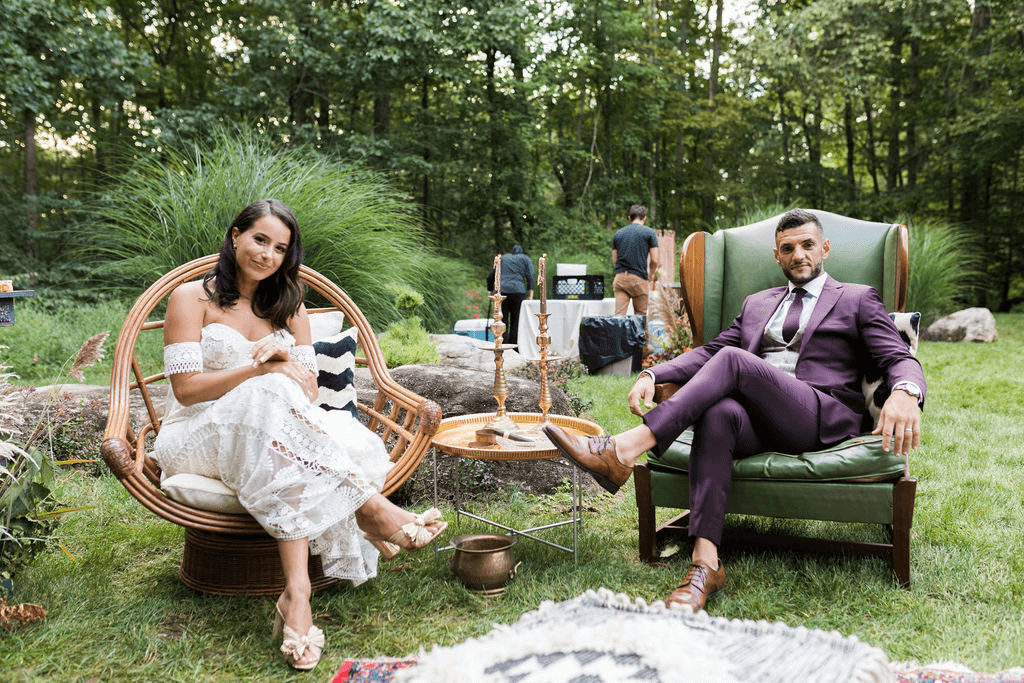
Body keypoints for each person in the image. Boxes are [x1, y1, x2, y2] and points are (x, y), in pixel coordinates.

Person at [544, 208, 925, 612]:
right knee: (718, 412)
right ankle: (705, 564)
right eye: (788, 248)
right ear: (777, 256)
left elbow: (899, 357)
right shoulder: (758, 303)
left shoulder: (856, 298)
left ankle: (623, 449)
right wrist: (654, 376)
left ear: (825, 248)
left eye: (808, 245)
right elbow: (709, 351)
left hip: (817, 416)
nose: (799, 255)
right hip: (760, 418)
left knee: (732, 360)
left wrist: (905, 391)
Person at [152, 199, 446, 671]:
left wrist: (284, 364)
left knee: (286, 438)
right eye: (259, 239)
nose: (267, 255)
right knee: (268, 392)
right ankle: (368, 507)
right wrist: (260, 366)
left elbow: (307, 394)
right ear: (235, 236)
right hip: (198, 434)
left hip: (273, 433)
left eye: (280, 248)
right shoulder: (192, 298)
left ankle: (298, 595)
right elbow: (185, 391)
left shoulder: (290, 306)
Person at [611, 204, 660, 316]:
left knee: (619, 317)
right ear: (644, 218)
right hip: (639, 280)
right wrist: (651, 275)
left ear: (629, 218)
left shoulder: (618, 234)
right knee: (640, 317)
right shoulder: (649, 233)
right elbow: (655, 260)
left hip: (620, 279)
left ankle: (618, 333)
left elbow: (615, 260)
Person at [488, 244, 534, 346]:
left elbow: (491, 275)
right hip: (518, 292)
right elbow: (531, 276)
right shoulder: (526, 259)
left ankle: (502, 343)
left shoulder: (502, 258)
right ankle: (514, 345)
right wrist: (530, 294)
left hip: (502, 291)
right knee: (516, 319)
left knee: (502, 319)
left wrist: (490, 290)